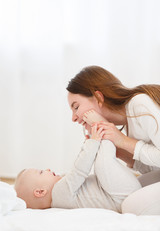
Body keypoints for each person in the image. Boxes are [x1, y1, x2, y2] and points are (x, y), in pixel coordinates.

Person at [66, 65, 160, 215]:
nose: (73, 118)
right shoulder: (129, 123)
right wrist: (119, 149)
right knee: (136, 189)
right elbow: (155, 167)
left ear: (98, 98)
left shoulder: (140, 104)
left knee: (131, 205)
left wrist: (122, 140)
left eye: (76, 107)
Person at [14, 124, 141, 210]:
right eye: (41, 172)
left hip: (121, 193)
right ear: (40, 192)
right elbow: (79, 170)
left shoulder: (61, 198)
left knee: (100, 160)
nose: (47, 169)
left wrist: (89, 143)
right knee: (102, 163)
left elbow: (77, 168)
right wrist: (94, 141)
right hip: (121, 195)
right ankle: (107, 128)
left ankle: (105, 133)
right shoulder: (59, 194)